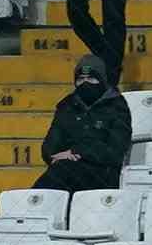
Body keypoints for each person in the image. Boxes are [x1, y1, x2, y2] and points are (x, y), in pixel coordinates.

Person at [34, 55, 133, 195]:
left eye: (91, 78)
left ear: (102, 80)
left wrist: (77, 152)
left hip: (103, 173)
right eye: (80, 79)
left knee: (61, 172)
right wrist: (59, 156)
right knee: (63, 170)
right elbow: (49, 146)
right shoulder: (67, 106)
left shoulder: (117, 107)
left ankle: (24, 211)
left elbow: (115, 152)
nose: (85, 83)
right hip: (65, 169)